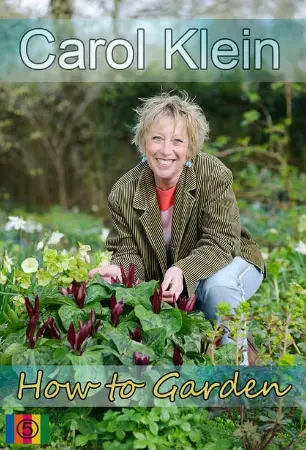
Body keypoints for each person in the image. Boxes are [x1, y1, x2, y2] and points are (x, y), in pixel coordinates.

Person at [89, 91, 265, 363]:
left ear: (190, 147)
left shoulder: (212, 174)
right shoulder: (123, 192)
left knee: (216, 290)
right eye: (157, 138)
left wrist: (183, 270)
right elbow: (127, 251)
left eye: (177, 140)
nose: (166, 150)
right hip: (175, 275)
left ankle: (237, 377)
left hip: (232, 258)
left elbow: (221, 242)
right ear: (143, 142)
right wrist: (122, 271)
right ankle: (240, 350)